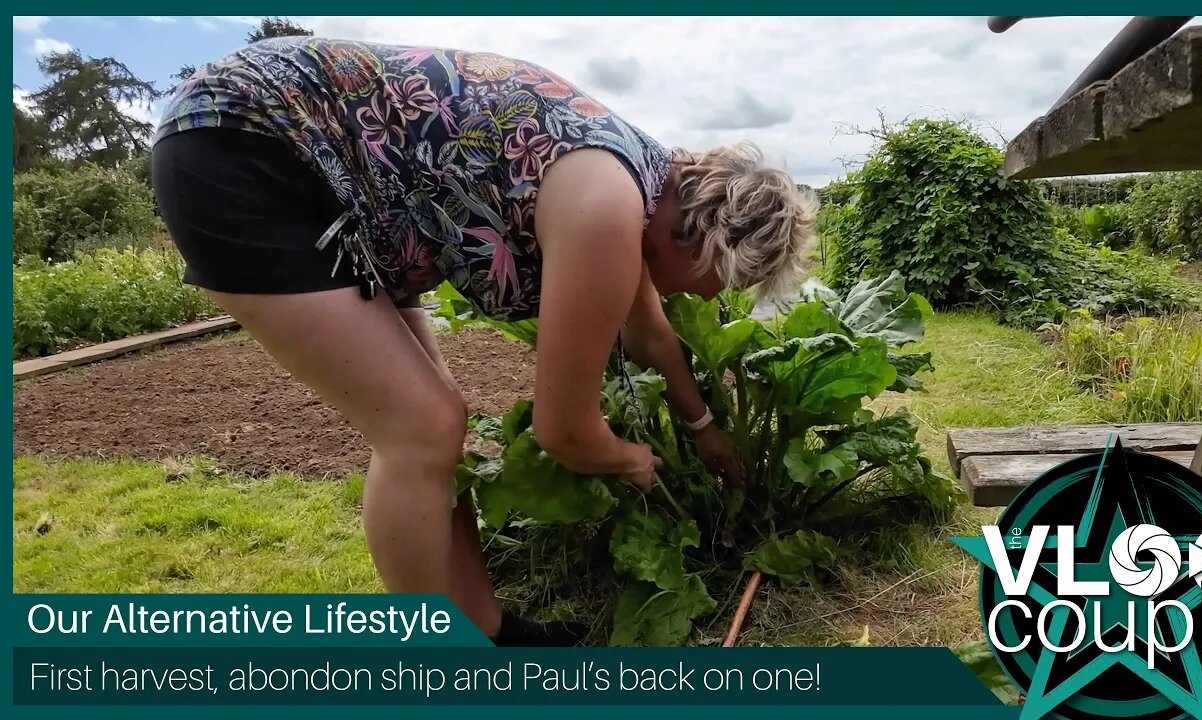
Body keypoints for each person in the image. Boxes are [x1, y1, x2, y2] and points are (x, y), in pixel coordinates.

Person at [150, 35, 817, 645]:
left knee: (445, 433)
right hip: (247, 143)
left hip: (342, 186)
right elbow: (565, 431)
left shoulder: (637, 181)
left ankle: (485, 633)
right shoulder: (608, 208)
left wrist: (702, 425)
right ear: (704, 236)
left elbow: (651, 336)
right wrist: (629, 460)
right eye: (727, 279)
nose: (710, 297)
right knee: (420, 429)